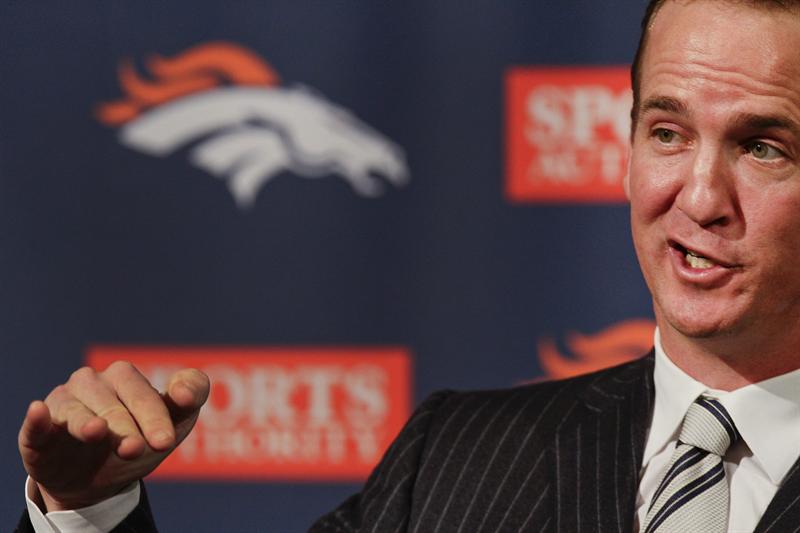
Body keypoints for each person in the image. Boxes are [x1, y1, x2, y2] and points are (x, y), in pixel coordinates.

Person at [16, 0, 800, 530]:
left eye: (763, 147)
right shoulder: (453, 459)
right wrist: (91, 510)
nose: (700, 197)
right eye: (667, 133)